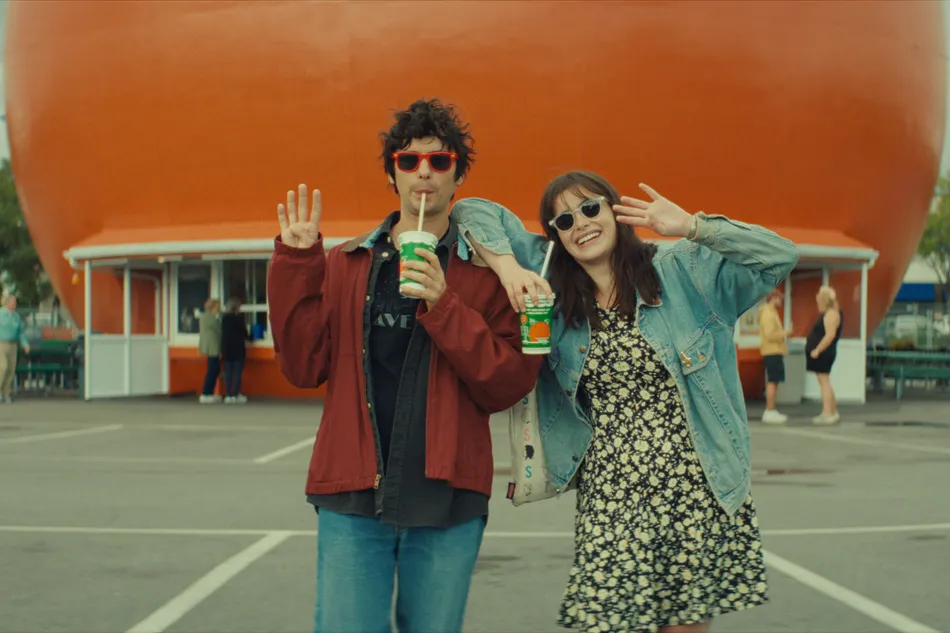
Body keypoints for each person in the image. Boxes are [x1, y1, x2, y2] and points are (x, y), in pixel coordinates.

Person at [453, 170, 799, 633]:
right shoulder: (552, 284)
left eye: (591, 208)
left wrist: (693, 226)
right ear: (555, 234)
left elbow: (780, 256)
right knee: (607, 621)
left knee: (684, 627)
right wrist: (508, 267)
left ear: (616, 212)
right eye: (564, 220)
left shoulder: (681, 272)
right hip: (611, 495)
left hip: (692, 487)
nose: (581, 224)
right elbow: (470, 210)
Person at [266, 98, 541, 633]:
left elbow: (506, 384)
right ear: (392, 173)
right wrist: (298, 265)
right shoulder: (347, 264)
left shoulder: (487, 277)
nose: (424, 173)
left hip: (445, 498)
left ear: (458, 175)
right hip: (352, 494)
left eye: (439, 162)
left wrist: (444, 306)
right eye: (409, 160)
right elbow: (302, 366)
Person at [805, 285, 842, 424]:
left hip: (823, 353)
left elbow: (830, 335)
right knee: (825, 381)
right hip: (823, 352)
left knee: (824, 382)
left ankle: (827, 413)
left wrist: (817, 349)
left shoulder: (831, 314)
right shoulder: (830, 313)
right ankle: (832, 411)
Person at [757, 289, 791, 424]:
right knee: (772, 381)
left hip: (774, 351)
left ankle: (772, 409)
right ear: (773, 298)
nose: (781, 301)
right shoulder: (768, 314)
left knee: (774, 381)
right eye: (779, 298)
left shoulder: (771, 313)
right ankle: (770, 411)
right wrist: (786, 332)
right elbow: (770, 334)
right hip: (772, 351)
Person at [0, 294, 30, 403]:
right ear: (7, 302)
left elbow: (21, 332)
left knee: (11, 370)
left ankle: (6, 392)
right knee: (3, 367)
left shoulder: (16, 316)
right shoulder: (1, 314)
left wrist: (25, 344)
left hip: (13, 344)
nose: (14, 304)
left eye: (15, 302)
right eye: (12, 301)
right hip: (1, 344)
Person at [220, 297, 249, 404]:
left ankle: (228, 394)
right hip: (238, 349)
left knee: (228, 373)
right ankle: (236, 394)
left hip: (227, 349)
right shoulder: (239, 320)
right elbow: (245, 335)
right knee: (237, 373)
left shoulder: (224, 320)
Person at [197, 298, 222, 403]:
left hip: (209, 346)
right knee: (213, 370)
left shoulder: (203, 317)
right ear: (213, 307)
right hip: (212, 346)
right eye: (217, 306)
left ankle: (209, 393)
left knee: (213, 369)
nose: (219, 309)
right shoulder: (211, 318)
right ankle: (206, 393)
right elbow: (219, 329)